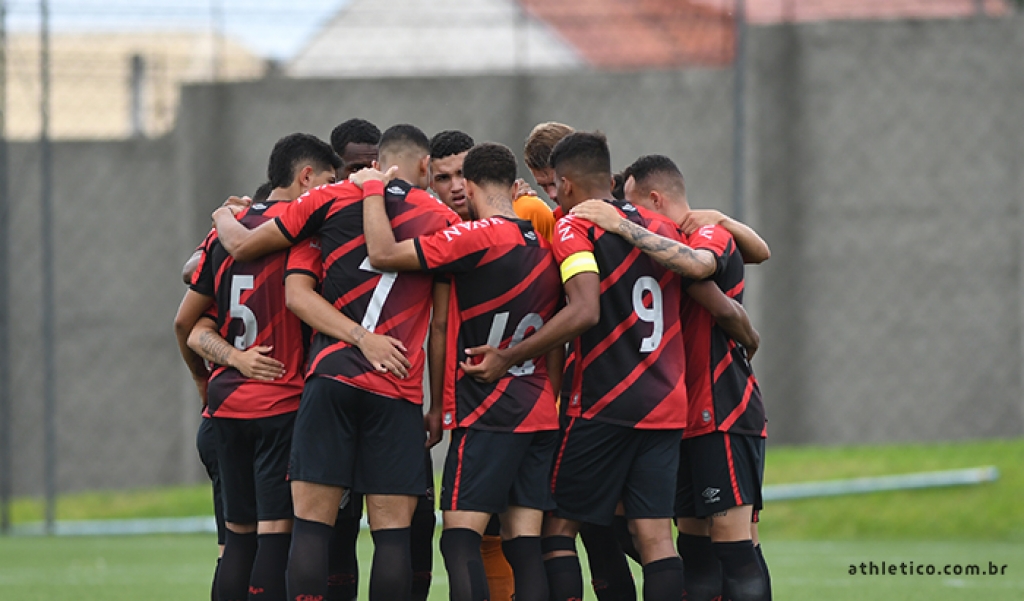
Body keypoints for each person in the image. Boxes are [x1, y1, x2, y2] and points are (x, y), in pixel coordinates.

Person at [211, 123, 457, 601]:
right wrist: (436, 405)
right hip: (397, 388)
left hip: (330, 379)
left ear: (375, 161)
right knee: (391, 533)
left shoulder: (326, 205)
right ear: (425, 166)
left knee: (311, 528)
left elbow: (270, 272)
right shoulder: (442, 219)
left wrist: (223, 214)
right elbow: (443, 325)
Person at [358, 141, 564, 601]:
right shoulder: (544, 244)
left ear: (469, 187)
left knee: (459, 537)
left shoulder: (477, 237)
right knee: (525, 544)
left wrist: (372, 190)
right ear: (515, 185)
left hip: (490, 411)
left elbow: (384, 254)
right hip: (537, 408)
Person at [571, 155, 770, 601]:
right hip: (681, 411)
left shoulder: (705, 234)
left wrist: (623, 227)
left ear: (655, 198)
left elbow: (705, 265)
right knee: (695, 549)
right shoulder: (670, 244)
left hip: (723, 407)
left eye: (633, 205)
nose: (629, 213)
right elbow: (757, 251)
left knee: (735, 546)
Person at [187, 133, 340, 601]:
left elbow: (191, 325)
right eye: (328, 182)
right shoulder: (300, 232)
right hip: (280, 399)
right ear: (305, 177)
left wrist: (230, 360)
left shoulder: (225, 230)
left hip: (228, 403)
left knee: (237, 538)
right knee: (276, 535)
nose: (329, 193)